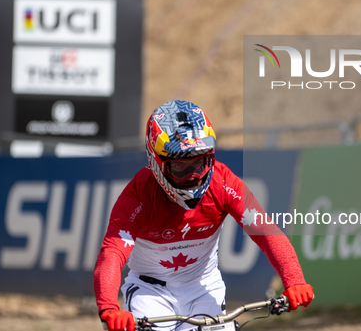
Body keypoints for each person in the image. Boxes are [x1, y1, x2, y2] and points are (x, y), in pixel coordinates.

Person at [95, 100, 314, 331]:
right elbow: (112, 255)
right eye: (179, 166)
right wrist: (109, 307)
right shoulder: (137, 196)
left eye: (199, 162)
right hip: (150, 292)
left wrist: (295, 280)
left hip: (203, 287)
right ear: (155, 162)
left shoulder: (223, 183)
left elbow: (265, 230)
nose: (193, 176)